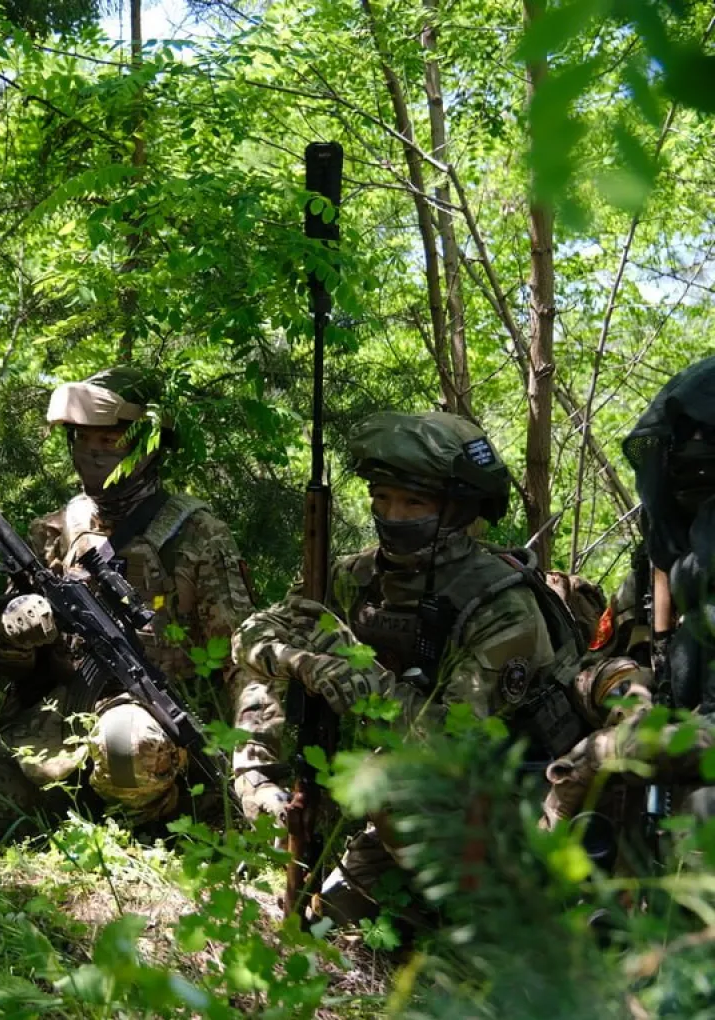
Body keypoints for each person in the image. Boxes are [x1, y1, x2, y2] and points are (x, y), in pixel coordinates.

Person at [231, 411, 622, 926]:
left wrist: (358, 678)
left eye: (413, 501)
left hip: (519, 810)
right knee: (331, 924)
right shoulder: (356, 576)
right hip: (422, 812)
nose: (392, 515)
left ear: (458, 508)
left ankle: (505, 933)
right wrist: (301, 666)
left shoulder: (499, 605)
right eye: (381, 497)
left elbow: (448, 747)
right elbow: (251, 636)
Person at [0, 366, 256, 837]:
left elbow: (240, 659)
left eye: (111, 440)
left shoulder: (198, 533)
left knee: (126, 744)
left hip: (151, 718)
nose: (94, 453)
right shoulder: (56, 529)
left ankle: (152, 826)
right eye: (83, 439)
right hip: (59, 719)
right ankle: (71, 804)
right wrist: (13, 626)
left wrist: (252, 759)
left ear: (147, 444)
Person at [546, 356, 715, 827]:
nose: (696, 452)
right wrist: (627, 689)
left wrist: (611, 751)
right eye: (685, 437)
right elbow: (587, 670)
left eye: (711, 435)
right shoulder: (657, 567)